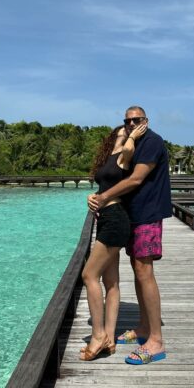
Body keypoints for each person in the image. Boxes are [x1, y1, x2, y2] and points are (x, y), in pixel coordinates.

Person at [88, 106, 172, 365]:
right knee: (137, 269)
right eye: (127, 121)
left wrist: (103, 197)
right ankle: (144, 326)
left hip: (147, 213)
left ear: (146, 120)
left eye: (137, 120)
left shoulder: (152, 141)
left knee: (145, 271)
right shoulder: (133, 143)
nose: (132, 123)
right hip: (132, 213)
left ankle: (156, 341)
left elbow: (136, 179)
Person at [80, 122, 147, 361]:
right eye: (119, 135)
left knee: (89, 275)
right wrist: (92, 196)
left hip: (116, 219)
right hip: (106, 217)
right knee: (111, 282)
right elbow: (104, 185)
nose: (122, 138)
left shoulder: (125, 157)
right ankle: (109, 339)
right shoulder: (110, 158)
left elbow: (128, 150)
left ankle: (97, 335)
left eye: (126, 134)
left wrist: (132, 137)